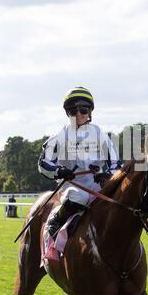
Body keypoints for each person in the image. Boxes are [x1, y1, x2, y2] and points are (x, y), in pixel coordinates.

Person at [38, 86, 122, 237]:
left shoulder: (100, 135)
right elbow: (43, 163)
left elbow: (116, 163)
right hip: (72, 186)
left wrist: (108, 175)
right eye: (72, 111)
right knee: (80, 197)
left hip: (98, 186)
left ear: (90, 111)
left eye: (83, 110)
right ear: (67, 113)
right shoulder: (59, 136)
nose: (78, 114)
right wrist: (59, 171)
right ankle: (56, 220)